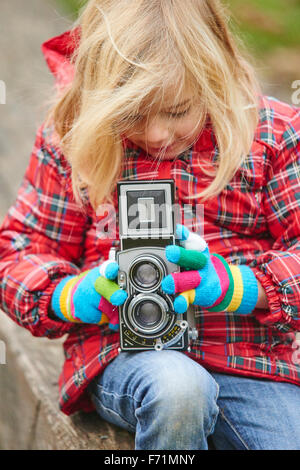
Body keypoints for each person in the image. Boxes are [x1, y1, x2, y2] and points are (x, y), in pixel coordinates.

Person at [0, 0, 300, 450]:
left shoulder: (273, 134)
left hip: (248, 358)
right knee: (179, 391)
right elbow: (20, 250)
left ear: (214, 75)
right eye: (133, 115)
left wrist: (240, 286)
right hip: (125, 354)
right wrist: (71, 296)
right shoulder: (76, 136)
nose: (157, 134)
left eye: (178, 111)